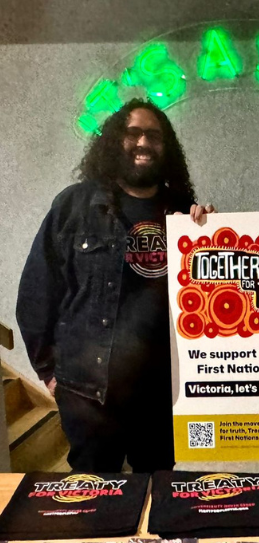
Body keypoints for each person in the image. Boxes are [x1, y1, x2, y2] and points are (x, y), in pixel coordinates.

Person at [16, 99, 214, 472]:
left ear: (165, 147)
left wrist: (213, 234)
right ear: (114, 141)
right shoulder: (74, 205)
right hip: (87, 391)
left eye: (153, 136)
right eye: (133, 133)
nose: (143, 143)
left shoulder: (183, 211)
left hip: (159, 393)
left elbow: (215, 295)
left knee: (158, 496)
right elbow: (35, 293)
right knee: (97, 500)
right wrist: (49, 373)